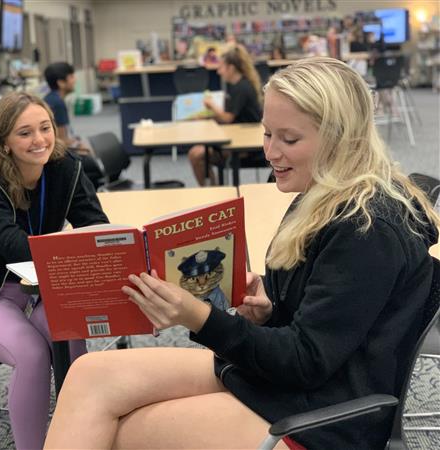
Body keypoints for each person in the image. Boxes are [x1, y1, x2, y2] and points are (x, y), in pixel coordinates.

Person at [44, 58, 440, 449]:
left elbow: (306, 361)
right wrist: (271, 309)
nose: (270, 152)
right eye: (267, 133)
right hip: (286, 383)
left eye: (289, 140)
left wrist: (199, 317)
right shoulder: (324, 193)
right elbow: (327, 319)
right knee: (89, 374)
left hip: (321, 417)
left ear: (342, 138)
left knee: (117, 430)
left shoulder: (365, 230)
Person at [0, 92, 108, 449]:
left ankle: (78, 438)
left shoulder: (66, 167)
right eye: (25, 133)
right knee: (31, 354)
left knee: (70, 339)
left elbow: (94, 225)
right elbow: (9, 242)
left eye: (45, 128)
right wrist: (65, 253)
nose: (39, 140)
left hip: (45, 286)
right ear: (4, 141)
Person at [188, 44, 263, 186]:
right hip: (237, 138)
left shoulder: (242, 88)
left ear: (231, 68)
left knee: (196, 155)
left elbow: (228, 118)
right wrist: (205, 116)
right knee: (196, 153)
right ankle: (214, 190)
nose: (218, 71)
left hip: (246, 146)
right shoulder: (237, 86)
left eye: (221, 67)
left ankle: (213, 192)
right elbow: (231, 116)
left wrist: (212, 106)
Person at [43, 62, 104, 188]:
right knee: (94, 165)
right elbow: (61, 140)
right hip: (57, 155)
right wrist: (80, 147)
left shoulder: (51, 99)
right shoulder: (57, 103)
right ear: (61, 82)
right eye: (71, 77)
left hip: (53, 151)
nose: (75, 80)